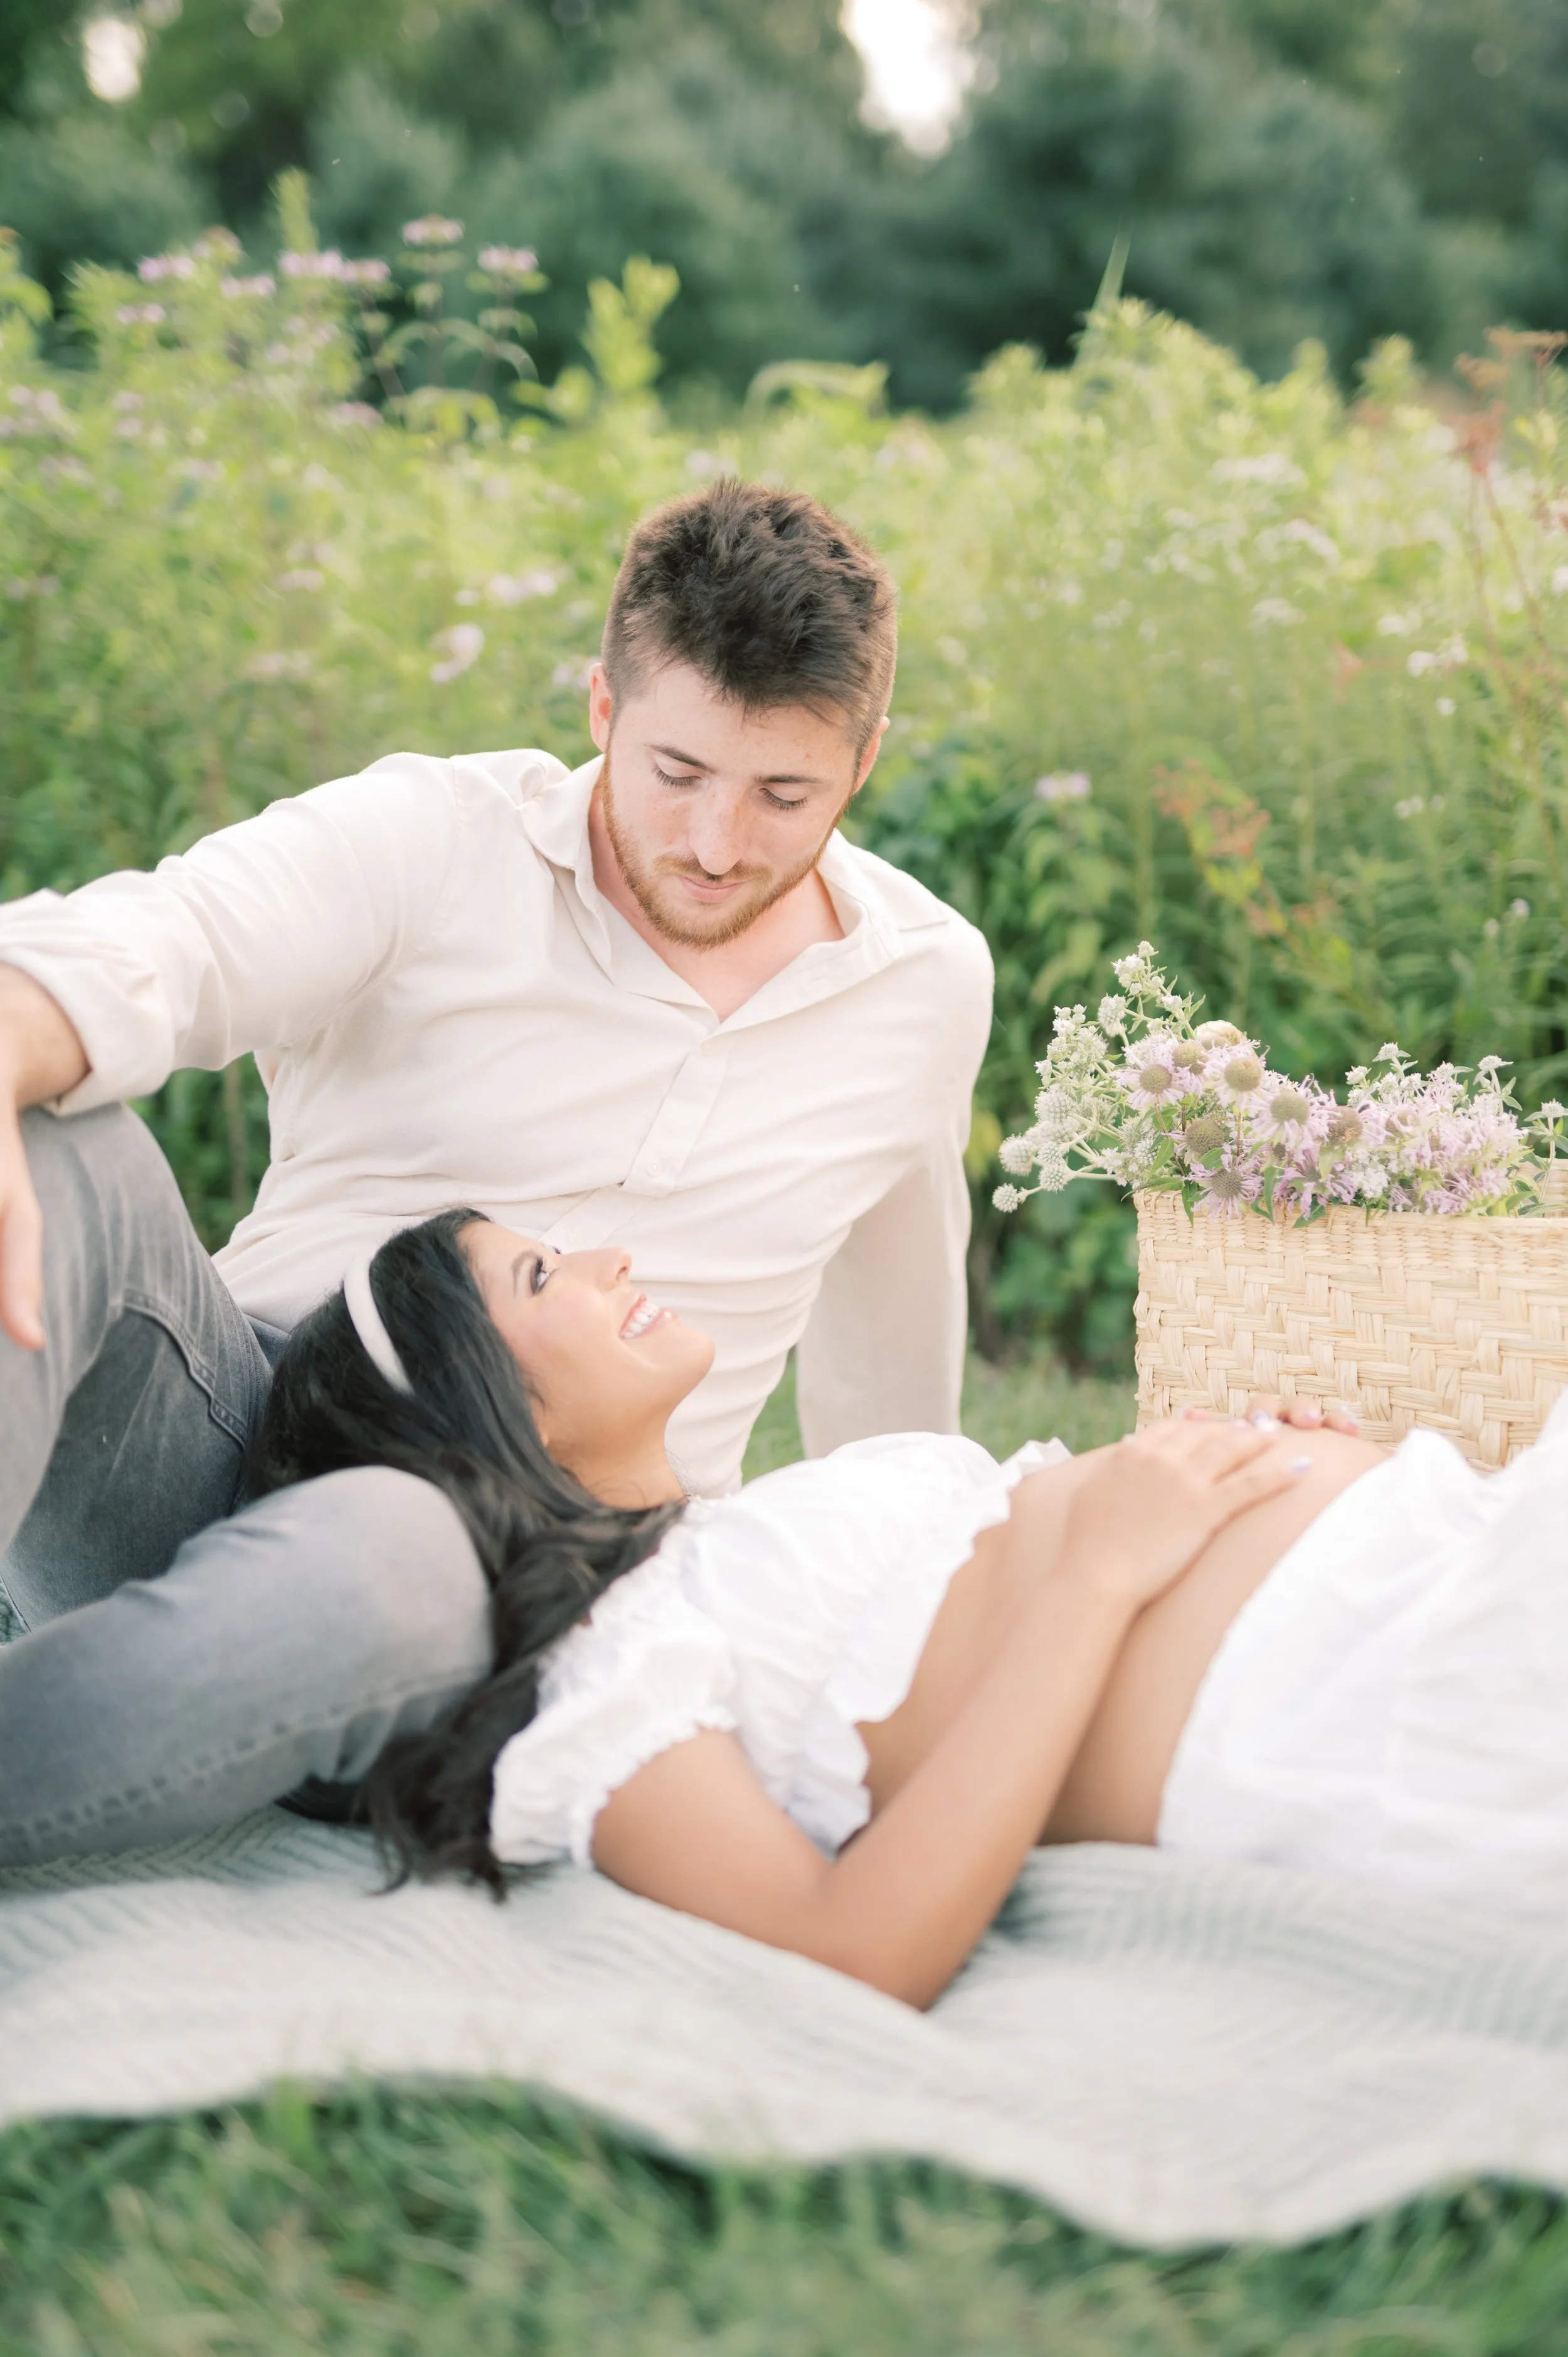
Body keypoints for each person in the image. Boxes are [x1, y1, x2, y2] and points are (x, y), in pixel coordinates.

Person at [0, 480, 993, 1858]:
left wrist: (915, 1589)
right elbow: (171, 942)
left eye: (781, 795)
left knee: (396, 1559)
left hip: (527, 1581)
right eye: (675, 774)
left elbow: (892, 1347)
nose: (715, 845)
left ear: (864, 759)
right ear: (600, 708)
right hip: (242, 1421)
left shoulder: (922, 985)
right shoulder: (432, 840)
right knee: (56, 1137)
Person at [205, 1208, 1565, 2010]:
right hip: (1373, 1704)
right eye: (544, 1278)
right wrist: (1098, 1568)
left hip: (1439, 1562)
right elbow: (846, 1951)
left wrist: (1260, 1466)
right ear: (484, 1413)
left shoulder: (728, 1536)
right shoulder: (607, 1670)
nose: (609, 1259)